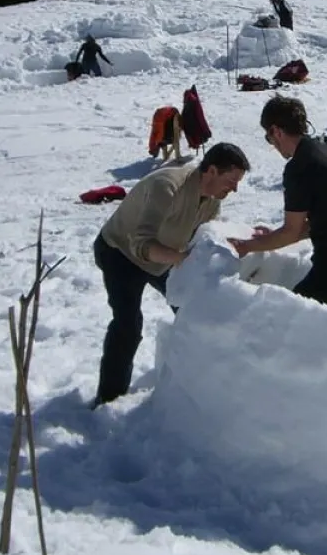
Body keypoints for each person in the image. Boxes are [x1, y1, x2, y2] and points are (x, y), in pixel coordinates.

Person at [91, 142, 251, 407]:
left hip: (164, 255)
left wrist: (240, 239)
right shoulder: (166, 187)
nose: (234, 188)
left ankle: (196, 384)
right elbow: (140, 244)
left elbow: (205, 235)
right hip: (120, 252)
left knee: (193, 309)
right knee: (128, 324)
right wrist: (181, 259)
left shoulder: (212, 200)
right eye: (231, 180)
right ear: (211, 170)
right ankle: (108, 399)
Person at [229, 95, 327, 304]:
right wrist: (271, 238)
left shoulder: (299, 167)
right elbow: (325, 218)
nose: (273, 145)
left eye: (269, 138)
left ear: (276, 131)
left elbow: (292, 231)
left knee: (293, 318)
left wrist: (247, 246)